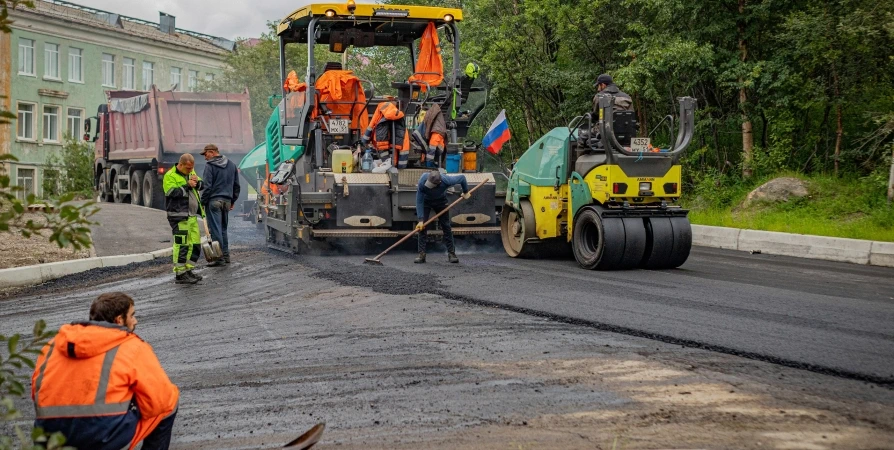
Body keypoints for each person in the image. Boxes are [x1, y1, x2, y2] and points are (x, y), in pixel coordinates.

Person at [31, 292, 179, 450]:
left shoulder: (52, 346)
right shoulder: (131, 347)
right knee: (169, 401)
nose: (135, 320)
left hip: (48, 437)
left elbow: (36, 392)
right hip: (101, 439)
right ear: (119, 320)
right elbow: (158, 401)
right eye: (132, 315)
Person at [163, 153, 204, 284]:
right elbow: (170, 193)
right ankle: (180, 273)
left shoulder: (191, 172)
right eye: (187, 168)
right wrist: (187, 185)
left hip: (191, 216)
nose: (190, 170)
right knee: (182, 245)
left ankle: (188, 270)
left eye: (192, 168)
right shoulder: (170, 176)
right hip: (178, 216)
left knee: (195, 244)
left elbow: (202, 185)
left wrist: (197, 183)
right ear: (180, 165)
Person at [415, 170, 470, 264]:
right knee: (422, 227)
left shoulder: (446, 180)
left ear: (439, 183)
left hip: (441, 201)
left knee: (446, 226)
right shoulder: (423, 181)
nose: (429, 186)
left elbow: (462, 178)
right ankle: (421, 254)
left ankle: (451, 253)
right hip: (426, 202)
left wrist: (465, 192)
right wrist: (420, 219)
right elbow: (419, 200)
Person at [200, 144, 240, 267]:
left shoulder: (210, 166)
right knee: (223, 230)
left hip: (214, 201)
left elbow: (207, 186)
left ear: (212, 152)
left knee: (216, 230)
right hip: (226, 201)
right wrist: (232, 201)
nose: (205, 158)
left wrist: (202, 202)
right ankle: (226, 256)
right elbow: (236, 186)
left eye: (206, 154)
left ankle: (219, 258)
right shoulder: (232, 164)